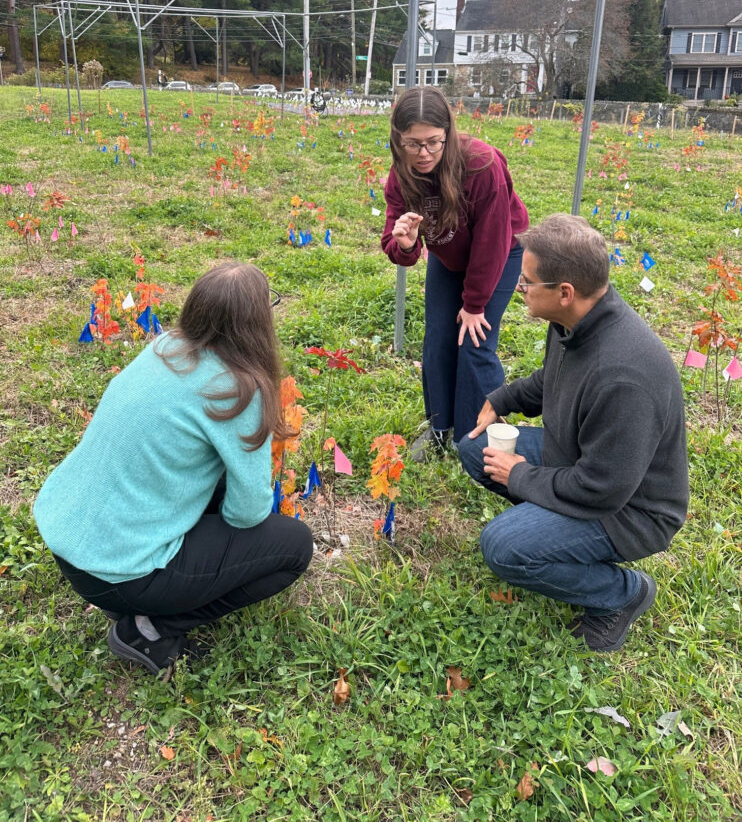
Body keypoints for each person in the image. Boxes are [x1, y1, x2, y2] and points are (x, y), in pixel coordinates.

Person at [34, 263, 314, 676]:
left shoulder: (163, 347)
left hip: (71, 542)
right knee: (294, 547)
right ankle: (151, 626)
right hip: (122, 570)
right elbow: (248, 511)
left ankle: (139, 600)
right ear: (258, 325)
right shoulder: (237, 389)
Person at [457, 214, 689, 652]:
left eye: (527, 282)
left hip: (630, 510)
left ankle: (623, 594)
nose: (520, 289)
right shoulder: (575, 322)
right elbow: (554, 379)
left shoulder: (623, 376)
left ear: (564, 292)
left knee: (503, 547)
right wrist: (504, 399)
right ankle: (551, 529)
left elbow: (601, 489)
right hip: (580, 459)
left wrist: (522, 475)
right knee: (475, 449)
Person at [381, 86, 529, 461]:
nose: (424, 153)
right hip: (449, 258)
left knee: (474, 343)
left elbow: (493, 240)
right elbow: (397, 247)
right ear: (398, 140)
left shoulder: (481, 165)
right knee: (438, 338)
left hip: (500, 253)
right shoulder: (400, 177)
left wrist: (475, 303)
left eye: (433, 142)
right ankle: (439, 429)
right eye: (413, 144)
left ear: (448, 132)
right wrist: (407, 243)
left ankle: (475, 439)